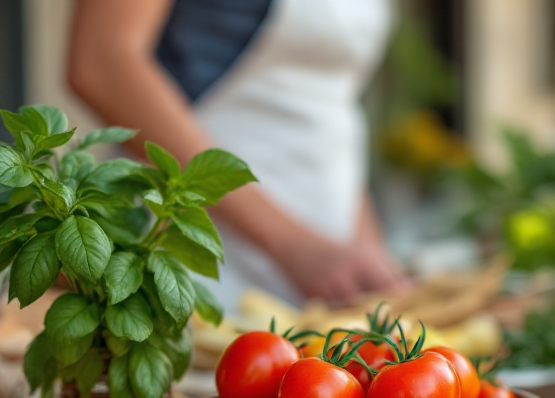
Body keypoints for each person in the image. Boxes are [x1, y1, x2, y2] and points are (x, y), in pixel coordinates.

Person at [67, 0, 411, 311]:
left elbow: (328, 112)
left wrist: (365, 249)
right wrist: (293, 244)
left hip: (329, 283)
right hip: (197, 258)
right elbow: (103, 61)